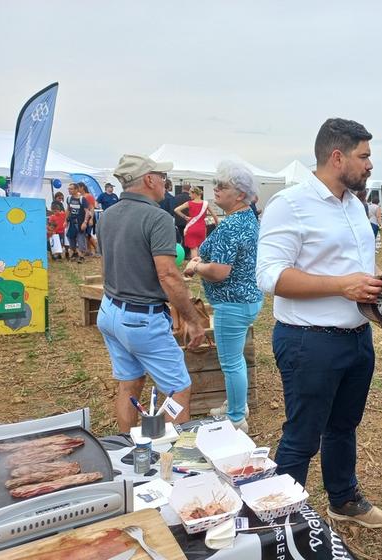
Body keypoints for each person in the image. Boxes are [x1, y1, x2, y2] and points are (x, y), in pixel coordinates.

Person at [256, 117, 382, 529]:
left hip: (356, 337)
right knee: (302, 436)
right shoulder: (290, 205)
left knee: (343, 426)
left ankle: (342, 498)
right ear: (337, 157)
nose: (370, 165)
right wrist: (341, 286)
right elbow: (270, 277)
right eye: (364, 155)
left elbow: (351, 271)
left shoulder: (354, 205)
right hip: (308, 341)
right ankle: (280, 522)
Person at [97, 154, 205, 432]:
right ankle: (170, 462)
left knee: (129, 384)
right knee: (178, 390)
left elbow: (105, 268)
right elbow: (168, 275)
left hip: (110, 311)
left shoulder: (108, 215)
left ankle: (126, 450)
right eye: (162, 177)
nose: (165, 183)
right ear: (149, 179)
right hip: (141, 319)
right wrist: (193, 320)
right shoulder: (158, 218)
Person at [183, 161, 264, 434]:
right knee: (236, 359)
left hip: (232, 303)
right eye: (216, 184)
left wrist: (196, 266)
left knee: (231, 362)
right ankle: (236, 404)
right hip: (247, 298)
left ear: (239, 194)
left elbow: (219, 271)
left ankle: (236, 419)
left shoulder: (231, 226)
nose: (215, 190)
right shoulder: (248, 219)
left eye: (223, 186)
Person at [175, 186, 219, 260]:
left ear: (194, 193)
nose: (189, 196)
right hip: (201, 228)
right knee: (200, 246)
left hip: (191, 227)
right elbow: (214, 215)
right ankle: (199, 264)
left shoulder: (189, 203)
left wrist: (185, 217)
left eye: (190, 194)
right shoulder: (206, 203)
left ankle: (194, 265)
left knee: (193, 248)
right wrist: (217, 224)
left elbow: (176, 210)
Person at [65, 183, 90, 263]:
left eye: (71, 189)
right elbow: (68, 209)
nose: (69, 190)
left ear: (76, 189)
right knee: (70, 237)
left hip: (80, 222)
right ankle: (75, 252)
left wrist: (85, 222)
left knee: (80, 239)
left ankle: (81, 256)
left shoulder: (82, 199)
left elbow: (87, 211)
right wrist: (65, 221)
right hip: (71, 222)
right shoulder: (69, 198)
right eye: (69, 189)